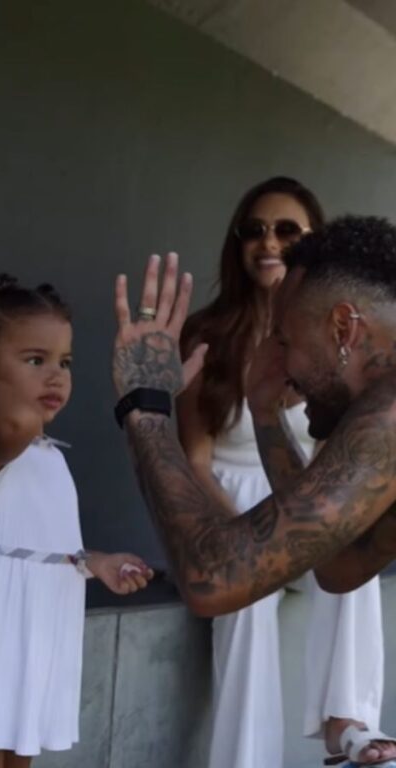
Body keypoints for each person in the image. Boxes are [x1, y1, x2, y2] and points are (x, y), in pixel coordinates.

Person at [112, 216, 396, 765]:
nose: (278, 359)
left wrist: (145, 407)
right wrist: (265, 414)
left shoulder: (389, 414)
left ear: (343, 328)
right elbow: (338, 565)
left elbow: (213, 579)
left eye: (284, 339)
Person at [178, 178, 384, 767]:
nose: (268, 243)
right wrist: (241, 539)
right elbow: (194, 461)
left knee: (349, 546)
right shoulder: (208, 334)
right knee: (245, 601)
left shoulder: (335, 338)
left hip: (294, 501)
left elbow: (330, 459)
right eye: (255, 230)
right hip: (224, 506)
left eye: (287, 230)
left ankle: (347, 722)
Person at [0, 274, 153, 767]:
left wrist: (94, 561)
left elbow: (39, 541)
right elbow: (17, 420)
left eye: (65, 362)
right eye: (36, 360)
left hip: (35, 637)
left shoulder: (49, 455)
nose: (56, 376)